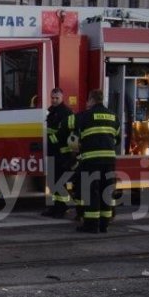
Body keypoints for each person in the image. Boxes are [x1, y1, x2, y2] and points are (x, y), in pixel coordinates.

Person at [65, 89, 119, 233]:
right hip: (109, 161)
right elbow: (117, 139)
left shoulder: (85, 116)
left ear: (91, 100)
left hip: (91, 161)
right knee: (106, 192)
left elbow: (73, 131)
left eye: (88, 100)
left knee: (92, 192)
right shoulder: (114, 116)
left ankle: (91, 225)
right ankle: (104, 225)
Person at [41, 87, 74, 218]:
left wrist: (54, 141)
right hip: (52, 151)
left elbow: (67, 133)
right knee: (52, 181)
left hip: (61, 153)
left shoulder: (66, 113)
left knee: (60, 182)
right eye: (53, 98)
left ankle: (62, 208)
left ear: (62, 98)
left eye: (57, 98)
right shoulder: (52, 112)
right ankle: (55, 207)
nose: (54, 100)